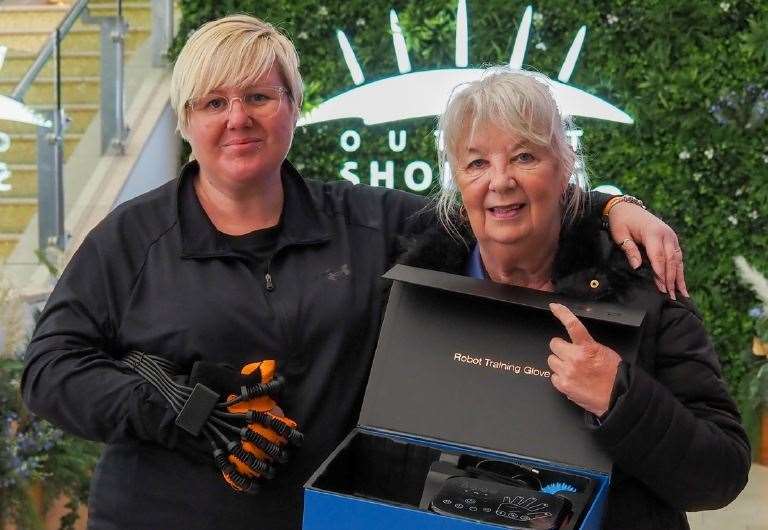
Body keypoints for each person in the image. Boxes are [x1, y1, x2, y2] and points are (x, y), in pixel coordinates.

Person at [22, 15, 689, 530]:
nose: (238, 119)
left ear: (293, 107)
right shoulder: (133, 239)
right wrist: (177, 408)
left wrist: (606, 205)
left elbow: (499, 208)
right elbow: (49, 370)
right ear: (186, 119)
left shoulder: (367, 223)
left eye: (259, 95)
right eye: (213, 102)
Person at [395, 68, 750, 529]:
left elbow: (720, 474)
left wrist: (620, 397)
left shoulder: (640, 281)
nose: (500, 181)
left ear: (565, 167)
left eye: (524, 156)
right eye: (477, 163)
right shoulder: (421, 290)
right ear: (458, 182)